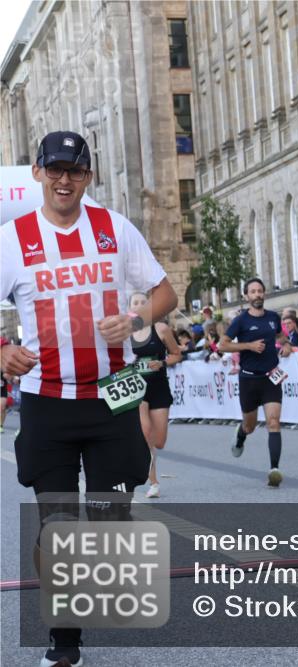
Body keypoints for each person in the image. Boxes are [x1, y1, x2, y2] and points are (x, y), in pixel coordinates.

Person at [0, 130, 178, 667]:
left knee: (107, 524)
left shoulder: (115, 229)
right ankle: (64, 642)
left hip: (112, 395)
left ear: (88, 178)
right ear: (37, 173)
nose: (63, 179)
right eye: (54, 169)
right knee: (58, 525)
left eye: (74, 170)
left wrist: (137, 317)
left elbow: (166, 291)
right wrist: (1, 349)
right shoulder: (13, 238)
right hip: (46, 399)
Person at [219, 278, 287, 488]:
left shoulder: (273, 317)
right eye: (253, 291)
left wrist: (285, 346)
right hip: (248, 378)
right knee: (250, 426)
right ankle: (240, 435)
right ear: (246, 296)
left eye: (260, 291)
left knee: (273, 422)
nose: (257, 294)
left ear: (264, 294)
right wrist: (248, 346)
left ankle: (274, 469)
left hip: (271, 378)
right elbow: (223, 345)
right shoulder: (241, 321)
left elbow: (281, 337)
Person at [128, 293, 183, 498]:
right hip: (137, 388)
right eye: (136, 303)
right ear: (130, 308)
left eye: (144, 303)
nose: (140, 306)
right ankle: (153, 482)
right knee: (145, 434)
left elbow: (177, 354)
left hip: (159, 387)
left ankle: (148, 472)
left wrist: (162, 363)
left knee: (159, 441)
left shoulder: (160, 329)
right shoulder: (125, 333)